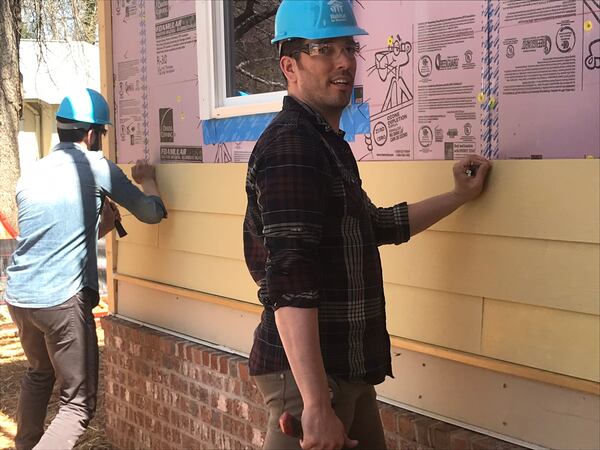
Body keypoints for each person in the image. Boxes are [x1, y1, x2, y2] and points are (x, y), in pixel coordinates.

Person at [243, 1, 492, 449]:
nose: (344, 62)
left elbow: (374, 226)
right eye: (324, 49)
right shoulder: (293, 148)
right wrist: (316, 404)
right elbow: (290, 279)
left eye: (349, 47)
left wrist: (458, 196)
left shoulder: (325, 143)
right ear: (289, 66)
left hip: (344, 372)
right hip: (312, 382)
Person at [3, 88, 167, 450]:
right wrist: (146, 179)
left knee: (39, 373)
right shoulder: (95, 166)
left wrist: (99, 225)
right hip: (60, 300)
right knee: (77, 406)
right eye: (102, 135)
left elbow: (55, 234)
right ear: (92, 134)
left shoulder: (33, 173)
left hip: (19, 297)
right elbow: (152, 213)